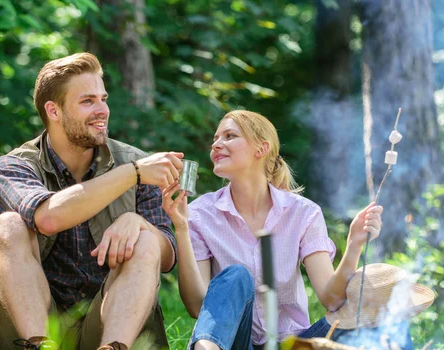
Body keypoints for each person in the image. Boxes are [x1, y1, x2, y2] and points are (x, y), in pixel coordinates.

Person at [0, 52, 184, 350]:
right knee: (8, 226)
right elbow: (47, 218)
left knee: (146, 239)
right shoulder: (13, 167)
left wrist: (139, 224)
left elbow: (168, 256)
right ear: (53, 111)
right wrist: (131, 174)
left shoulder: (137, 164)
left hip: (108, 323)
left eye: (103, 99)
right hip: (28, 328)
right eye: (87, 102)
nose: (102, 110)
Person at [161, 110, 414, 350]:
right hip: (234, 344)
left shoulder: (303, 213)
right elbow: (197, 307)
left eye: (229, 136)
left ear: (262, 148)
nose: (216, 144)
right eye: (216, 138)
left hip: (292, 344)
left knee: (377, 314)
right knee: (235, 276)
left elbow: (331, 299)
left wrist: (354, 244)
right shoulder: (200, 214)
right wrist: (181, 228)